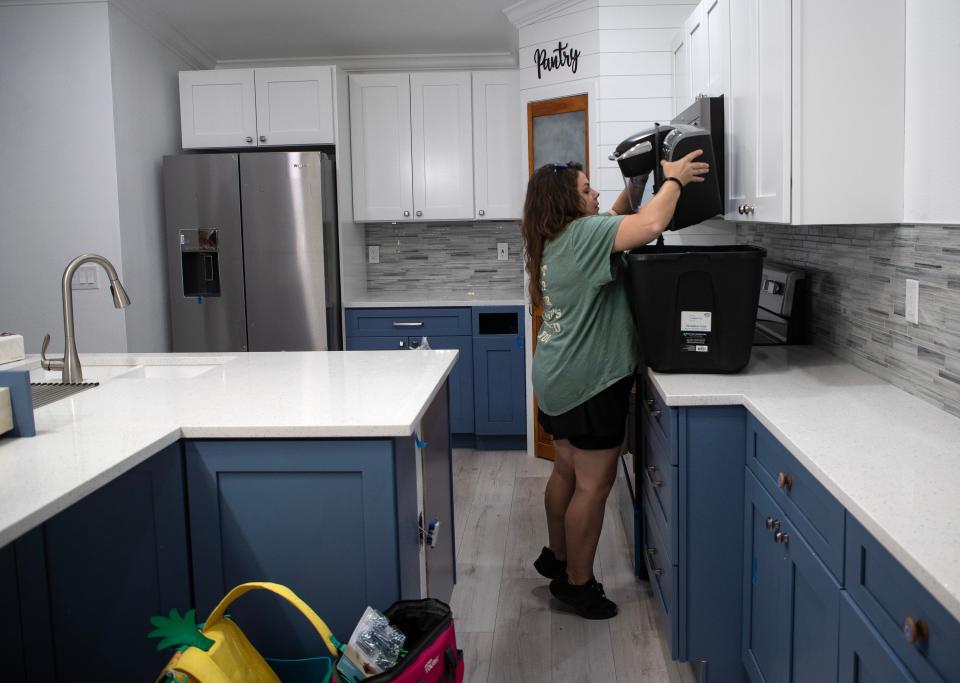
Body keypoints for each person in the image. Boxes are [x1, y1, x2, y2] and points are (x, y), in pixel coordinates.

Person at [523, 151, 709, 620]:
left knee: (566, 470)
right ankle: (577, 585)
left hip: (556, 374)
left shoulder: (557, 237)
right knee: (595, 484)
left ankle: (557, 556)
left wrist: (636, 183)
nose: (597, 193)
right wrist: (676, 180)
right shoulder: (584, 235)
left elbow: (614, 219)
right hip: (589, 381)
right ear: (568, 203)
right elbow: (647, 227)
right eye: (587, 189)